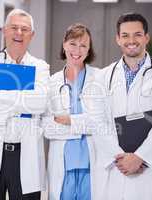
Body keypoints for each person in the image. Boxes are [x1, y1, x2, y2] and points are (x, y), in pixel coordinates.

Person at [0, 9, 50, 200]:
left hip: (25, 153)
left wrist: (0, 97)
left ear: (32, 35)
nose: (19, 33)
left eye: (24, 29)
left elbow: (40, 104)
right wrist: (22, 108)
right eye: (14, 28)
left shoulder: (40, 67)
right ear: (5, 31)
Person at [100, 13, 152, 200]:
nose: (131, 40)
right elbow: (98, 123)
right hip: (117, 169)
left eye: (137, 34)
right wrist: (121, 158)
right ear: (118, 39)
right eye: (125, 35)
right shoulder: (103, 77)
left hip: (151, 173)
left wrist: (140, 158)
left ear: (146, 37)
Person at [41, 23, 120, 200]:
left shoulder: (100, 78)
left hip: (93, 162)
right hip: (63, 163)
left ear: (89, 49)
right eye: (73, 44)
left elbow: (103, 122)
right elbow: (46, 127)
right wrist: (86, 124)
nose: (77, 50)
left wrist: (68, 120)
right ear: (64, 44)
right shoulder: (51, 82)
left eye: (83, 45)